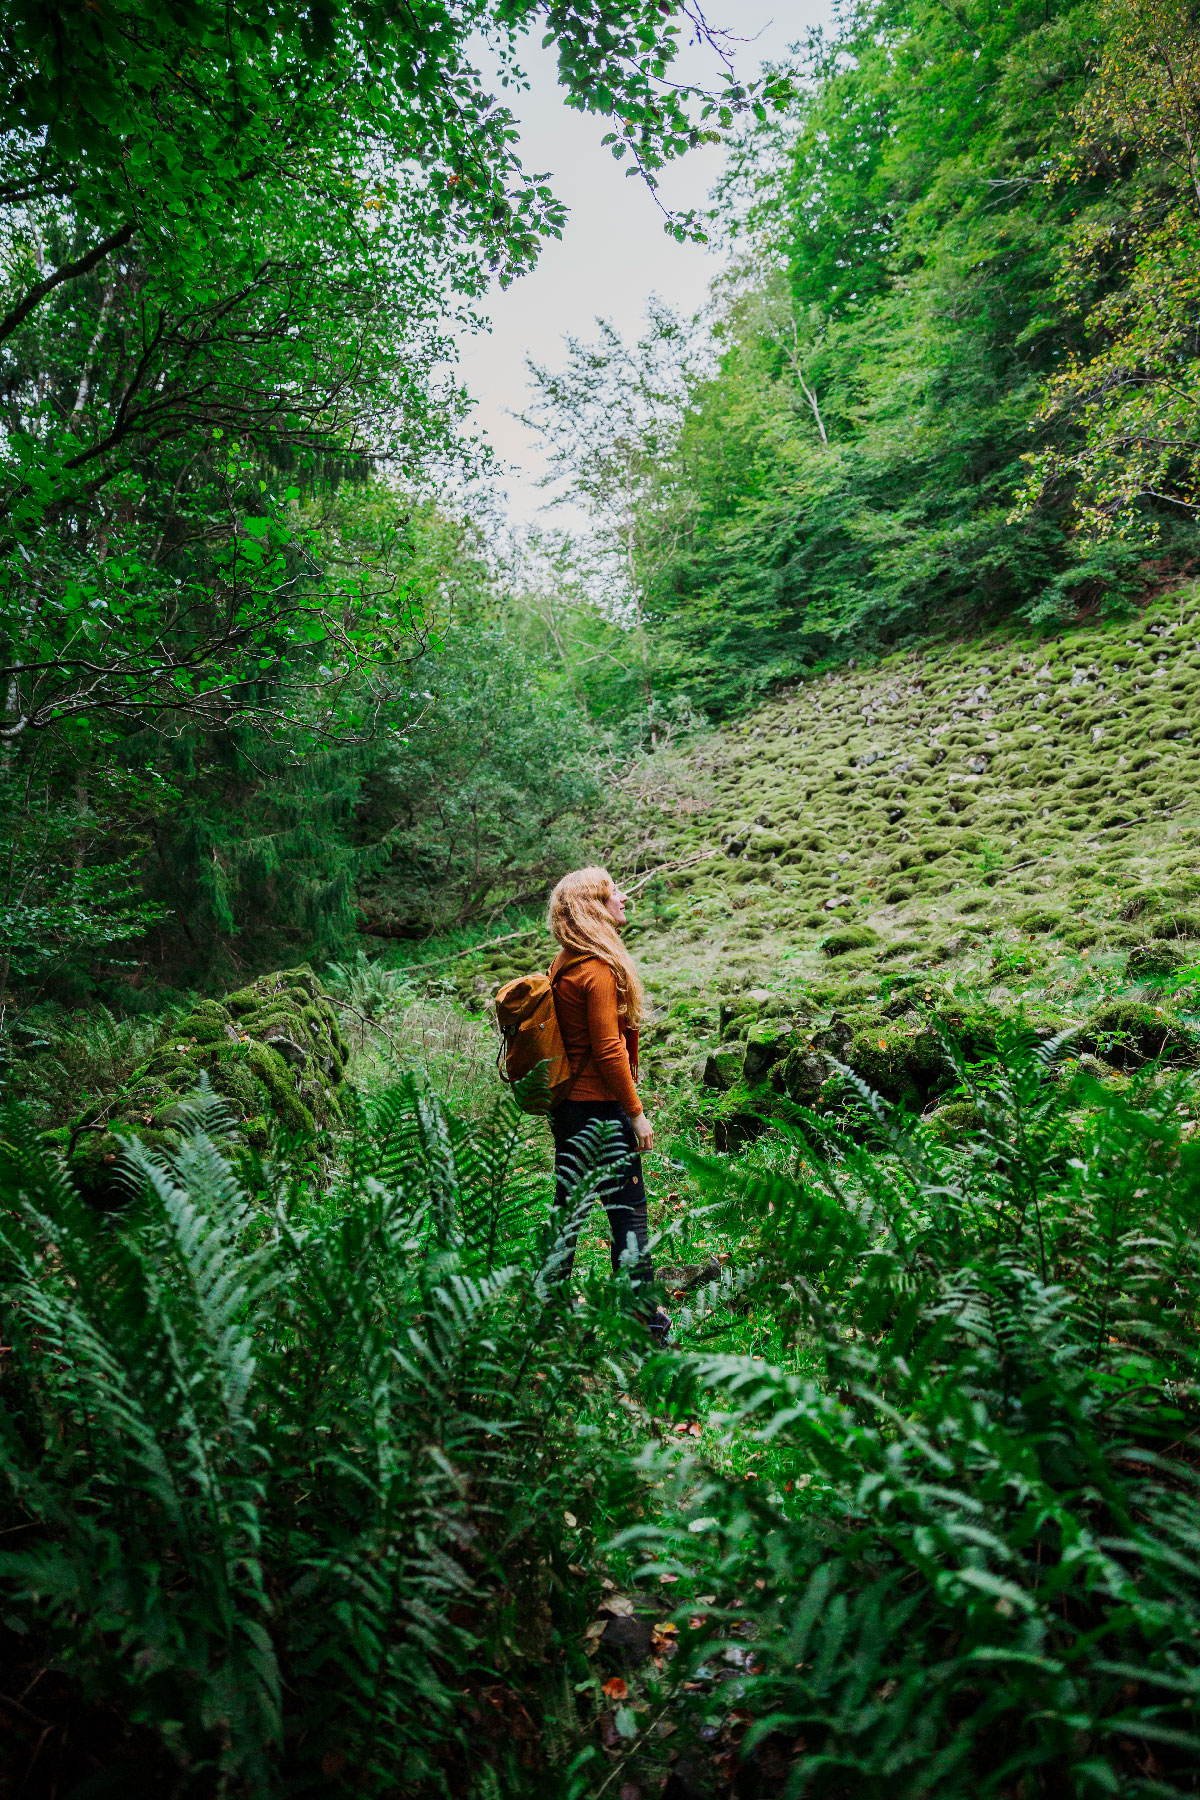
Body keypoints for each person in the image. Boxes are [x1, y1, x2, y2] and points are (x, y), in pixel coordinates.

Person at [546, 865, 670, 1343]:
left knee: (570, 1209)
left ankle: (548, 1308)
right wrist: (636, 1114)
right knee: (628, 1212)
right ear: (593, 906)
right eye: (613, 891)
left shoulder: (565, 961)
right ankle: (647, 1322)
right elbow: (609, 1048)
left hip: (569, 1109)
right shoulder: (596, 971)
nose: (623, 898)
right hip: (599, 1109)